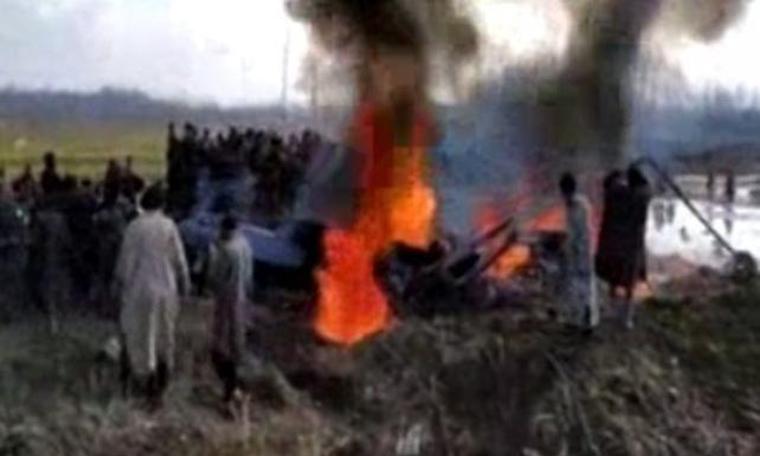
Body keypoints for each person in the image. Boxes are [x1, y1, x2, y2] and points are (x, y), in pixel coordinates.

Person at [114, 184, 190, 407]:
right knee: (164, 336)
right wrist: (185, 284)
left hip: (139, 290)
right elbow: (180, 259)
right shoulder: (169, 226)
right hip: (166, 289)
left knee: (140, 336)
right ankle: (161, 385)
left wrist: (118, 285)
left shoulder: (134, 227)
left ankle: (145, 383)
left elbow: (125, 264)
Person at [207, 214, 253, 405]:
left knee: (219, 346)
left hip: (226, 299)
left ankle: (230, 389)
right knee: (236, 343)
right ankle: (236, 385)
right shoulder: (245, 245)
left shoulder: (226, 250)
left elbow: (216, 277)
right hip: (242, 299)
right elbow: (249, 274)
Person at [558, 173, 598, 331]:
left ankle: (584, 318)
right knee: (580, 284)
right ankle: (580, 318)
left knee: (581, 284)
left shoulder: (577, 206)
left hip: (581, 250)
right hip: (581, 249)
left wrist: (567, 246)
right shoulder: (579, 203)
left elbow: (576, 232)